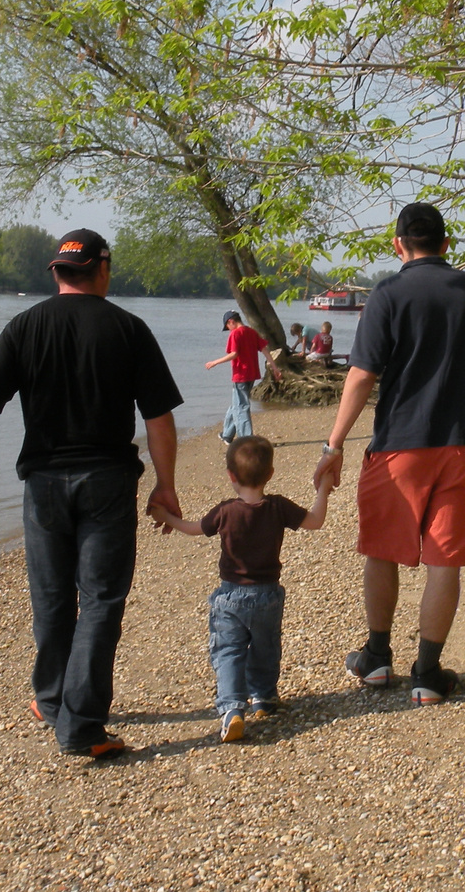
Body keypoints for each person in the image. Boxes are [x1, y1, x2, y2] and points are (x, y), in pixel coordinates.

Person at [0, 228, 184, 759]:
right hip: (106, 480)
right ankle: (80, 723)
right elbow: (159, 420)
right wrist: (165, 485)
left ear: (57, 273)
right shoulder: (129, 329)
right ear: (103, 268)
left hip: (43, 484)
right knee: (101, 599)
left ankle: (53, 699)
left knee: (53, 596)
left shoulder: (25, 326)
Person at [313, 202, 465, 706]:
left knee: (382, 548)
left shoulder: (388, 292)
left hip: (399, 446)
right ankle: (427, 673)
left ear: (398, 245)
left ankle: (377, 659)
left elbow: (361, 376)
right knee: (446, 561)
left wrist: (333, 445)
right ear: (446, 245)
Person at [151, 436, 334, 742]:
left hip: (231, 597)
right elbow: (315, 520)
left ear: (231, 477)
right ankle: (263, 698)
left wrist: (166, 517)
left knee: (229, 651)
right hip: (268, 596)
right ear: (270, 474)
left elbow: (194, 528)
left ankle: (233, 709)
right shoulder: (278, 507)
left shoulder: (225, 511)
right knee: (266, 648)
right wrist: (323, 490)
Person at [205, 311, 281, 442]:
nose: (228, 329)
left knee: (241, 406)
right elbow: (264, 349)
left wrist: (215, 362)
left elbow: (234, 354)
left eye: (227, 326)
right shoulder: (252, 332)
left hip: (240, 374)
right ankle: (227, 435)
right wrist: (275, 367)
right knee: (237, 404)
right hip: (252, 374)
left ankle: (246, 439)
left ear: (231, 322)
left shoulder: (235, 333)